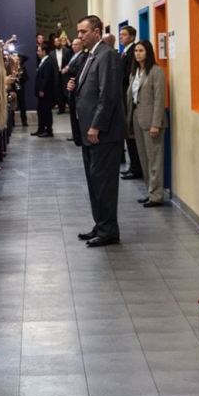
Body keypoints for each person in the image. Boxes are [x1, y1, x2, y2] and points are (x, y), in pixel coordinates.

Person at [70, 15, 125, 247]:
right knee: (94, 181)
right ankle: (101, 224)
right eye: (79, 32)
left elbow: (108, 95)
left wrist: (96, 125)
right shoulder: (90, 56)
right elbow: (89, 90)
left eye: (83, 32)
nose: (79, 36)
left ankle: (108, 230)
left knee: (104, 183)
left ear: (96, 31)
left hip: (103, 133)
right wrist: (73, 88)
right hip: (89, 133)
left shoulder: (107, 55)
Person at [126, 40, 167, 207]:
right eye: (136, 51)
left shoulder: (156, 71)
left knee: (154, 159)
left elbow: (159, 99)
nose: (137, 53)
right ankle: (150, 191)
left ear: (148, 52)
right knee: (143, 159)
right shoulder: (134, 72)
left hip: (152, 121)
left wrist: (156, 124)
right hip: (137, 118)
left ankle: (157, 195)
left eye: (141, 50)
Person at [118, 26, 144, 181]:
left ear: (132, 36)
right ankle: (133, 166)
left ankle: (136, 168)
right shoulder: (125, 52)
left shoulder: (132, 52)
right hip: (125, 97)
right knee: (129, 135)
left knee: (132, 137)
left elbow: (126, 75)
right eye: (120, 34)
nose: (121, 37)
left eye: (124, 34)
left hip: (130, 99)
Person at [62, 37, 88, 143]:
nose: (73, 46)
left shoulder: (82, 56)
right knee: (72, 113)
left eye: (76, 44)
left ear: (81, 45)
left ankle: (78, 135)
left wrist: (68, 69)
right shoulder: (74, 56)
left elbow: (78, 70)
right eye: (72, 44)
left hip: (75, 87)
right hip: (70, 86)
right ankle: (75, 135)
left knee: (75, 113)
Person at [32, 41, 58, 137]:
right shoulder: (43, 61)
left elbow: (46, 78)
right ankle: (41, 129)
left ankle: (48, 130)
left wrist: (42, 89)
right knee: (41, 111)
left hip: (46, 93)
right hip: (42, 93)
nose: (37, 52)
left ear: (44, 51)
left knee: (46, 111)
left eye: (39, 50)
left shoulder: (48, 62)